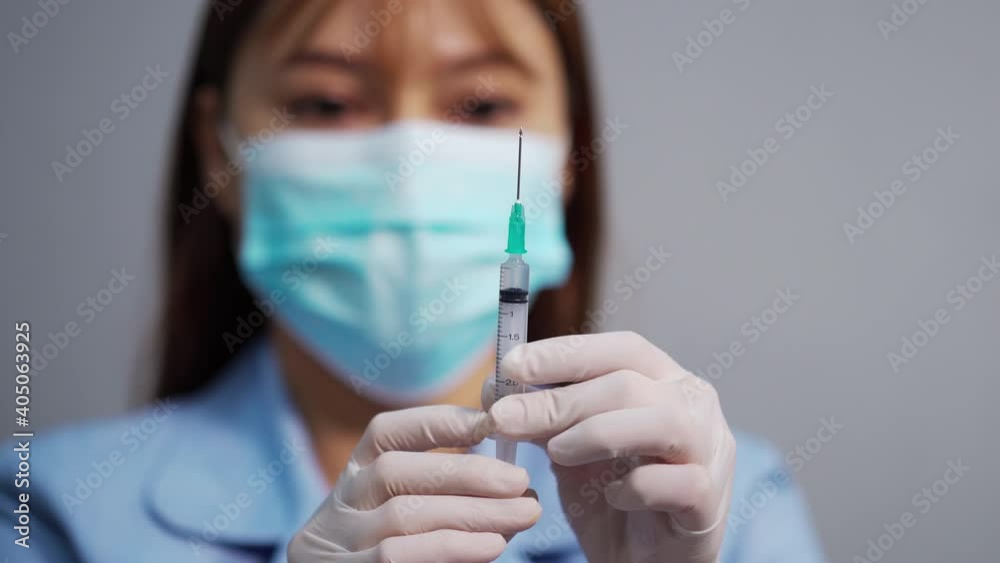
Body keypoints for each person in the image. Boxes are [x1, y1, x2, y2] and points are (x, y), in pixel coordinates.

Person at [1, 1, 826, 561]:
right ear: (219, 153)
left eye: (480, 106)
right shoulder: (52, 508)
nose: (410, 165)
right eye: (324, 103)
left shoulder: (724, 506)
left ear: (567, 152)